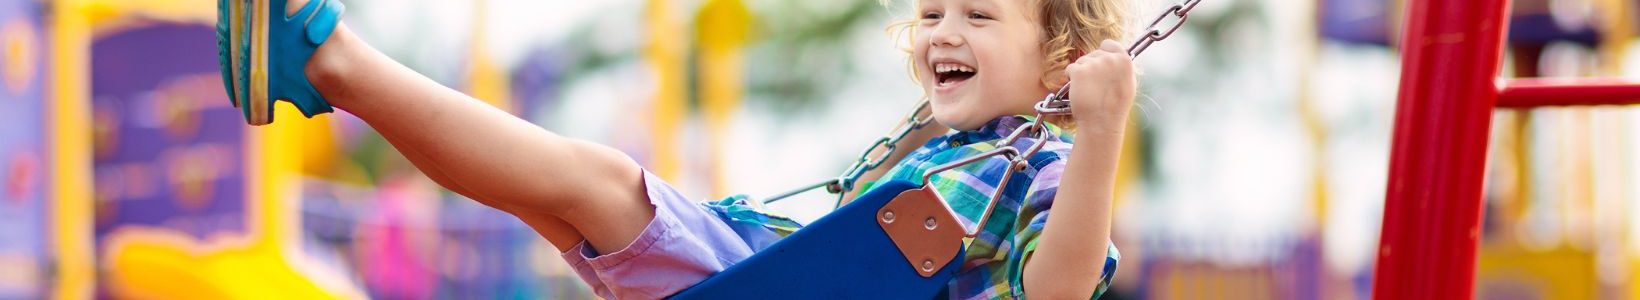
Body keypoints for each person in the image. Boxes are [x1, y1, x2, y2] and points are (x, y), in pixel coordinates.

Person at [219, 0, 1134, 298]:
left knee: (594, 179)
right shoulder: (937, 155)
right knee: (546, 196)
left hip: (766, 280)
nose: (944, 29)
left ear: (1060, 51)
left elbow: (1058, 290)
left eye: (981, 13)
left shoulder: (1043, 172)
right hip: (761, 269)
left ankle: (332, 62)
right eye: (934, 10)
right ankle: (316, 75)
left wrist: (1099, 132)